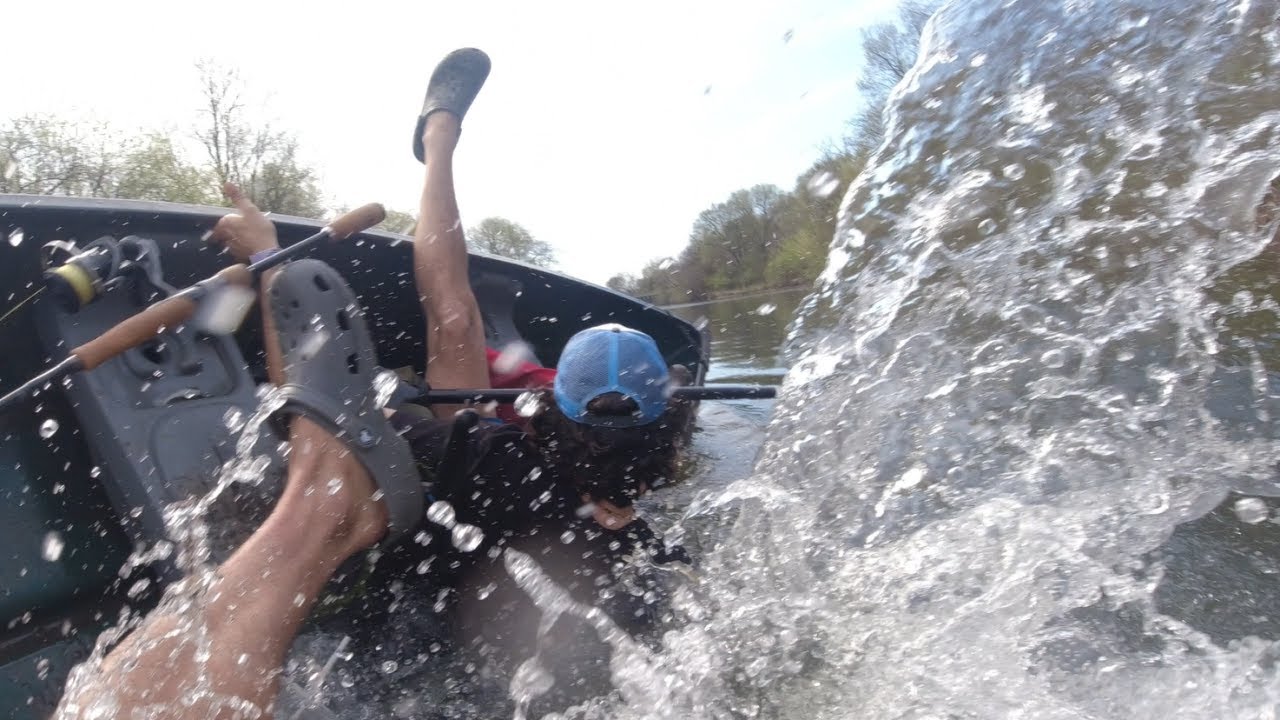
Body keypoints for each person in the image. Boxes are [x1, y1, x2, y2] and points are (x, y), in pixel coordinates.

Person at [58, 48, 690, 717]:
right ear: (671, 447)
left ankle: (438, 140)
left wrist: (272, 261)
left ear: (544, 412)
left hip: (380, 663)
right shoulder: (653, 566)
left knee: (334, 473)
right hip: (495, 685)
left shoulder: (489, 463)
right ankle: (439, 138)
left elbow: (327, 410)